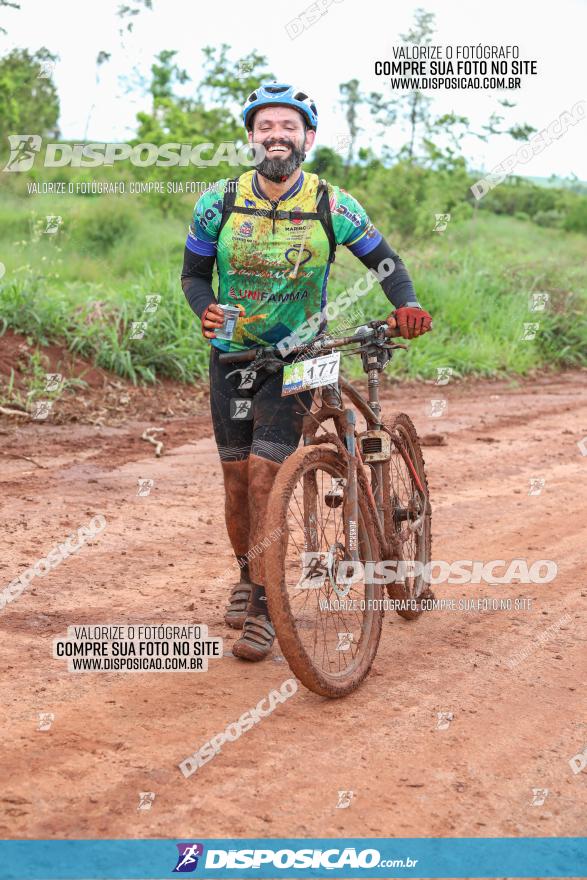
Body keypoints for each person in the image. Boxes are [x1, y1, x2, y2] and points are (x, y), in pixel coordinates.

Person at [181, 82, 432, 662]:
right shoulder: (217, 202)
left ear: (307, 138)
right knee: (237, 479)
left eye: (288, 128)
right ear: (251, 137)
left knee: (268, 473)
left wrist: (407, 304)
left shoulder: (332, 204)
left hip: (303, 354)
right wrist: (205, 310)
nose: (276, 137)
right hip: (235, 356)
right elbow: (193, 276)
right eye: (265, 127)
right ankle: (250, 578)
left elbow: (385, 261)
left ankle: (267, 612)